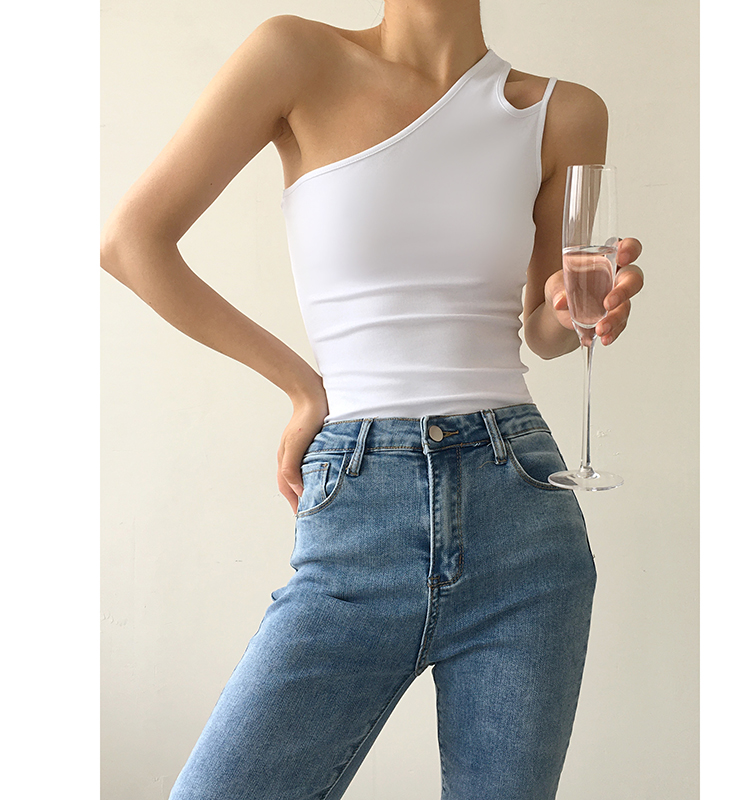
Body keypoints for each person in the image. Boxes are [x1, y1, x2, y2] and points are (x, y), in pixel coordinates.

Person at [101, 1, 644, 798]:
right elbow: (131, 243)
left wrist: (573, 312)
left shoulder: (564, 111)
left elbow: (545, 324)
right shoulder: (293, 55)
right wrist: (302, 386)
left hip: (523, 513)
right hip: (360, 503)